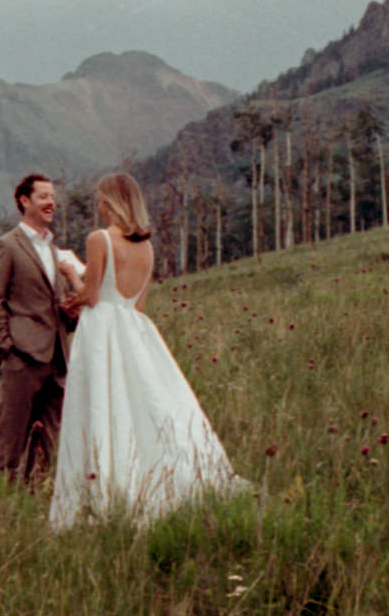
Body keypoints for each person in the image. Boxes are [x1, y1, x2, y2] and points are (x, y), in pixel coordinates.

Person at [49, 171, 244, 529]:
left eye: (102, 199)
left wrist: (70, 272)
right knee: (141, 404)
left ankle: (106, 491)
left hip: (102, 334)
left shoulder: (99, 239)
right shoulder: (147, 247)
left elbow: (90, 296)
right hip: (133, 332)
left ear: (111, 202)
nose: (99, 205)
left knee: (102, 404)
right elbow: (136, 305)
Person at [0, 172, 81, 484]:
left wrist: (69, 313)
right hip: (22, 359)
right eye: (44, 197)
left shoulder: (53, 250)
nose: (51, 203)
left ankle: (36, 497)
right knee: (11, 439)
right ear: (25, 201)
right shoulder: (5, 247)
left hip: (56, 360)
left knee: (50, 441)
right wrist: (7, 349)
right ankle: (0, 502)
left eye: (52, 197)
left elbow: (50, 302)